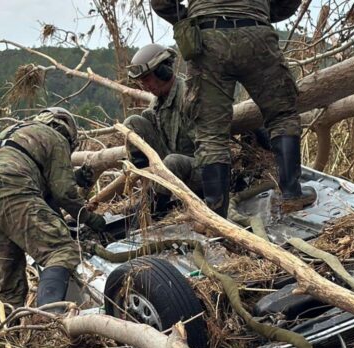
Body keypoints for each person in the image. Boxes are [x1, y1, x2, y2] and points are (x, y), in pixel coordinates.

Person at [153, 0, 316, 217]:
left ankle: (215, 215)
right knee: (282, 115)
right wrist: (263, 12)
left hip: (206, 38)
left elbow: (160, 2)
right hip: (256, 32)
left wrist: (187, 16)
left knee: (210, 133)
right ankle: (292, 196)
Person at [0, 107, 106, 310]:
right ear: (66, 132)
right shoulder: (56, 137)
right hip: (12, 190)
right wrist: (89, 218)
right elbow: (64, 194)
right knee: (62, 250)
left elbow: (38, 178)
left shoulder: (16, 132)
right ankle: (51, 319)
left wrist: (74, 177)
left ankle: (10, 336)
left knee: (10, 286)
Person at [125, 43, 202, 205]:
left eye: (147, 79)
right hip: (170, 168)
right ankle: (152, 187)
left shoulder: (189, 96)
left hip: (200, 170)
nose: (145, 86)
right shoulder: (156, 104)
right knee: (132, 123)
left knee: (172, 161)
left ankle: (157, 205)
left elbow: (209, 150)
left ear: (163, 72)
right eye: (141, 82)